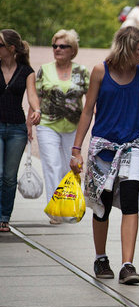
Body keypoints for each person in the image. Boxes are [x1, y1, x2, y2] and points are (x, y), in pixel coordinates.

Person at [69, 26, 139, 284]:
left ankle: (127, 265)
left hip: (133, 146)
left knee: (130, 201)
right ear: (126, 48)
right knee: (102, 204)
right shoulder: (100, 71)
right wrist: (76, 150)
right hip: (103, 147)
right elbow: (87, 110)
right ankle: (101, 258)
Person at [30, 29, 90, 221]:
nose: (57, 49)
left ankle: (68, 207)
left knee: (69, 167)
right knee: (52, 166)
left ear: (73, 50)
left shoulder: (82, 72)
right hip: (48, 124)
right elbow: (36, 97)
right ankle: (54, 210)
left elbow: (91, 98)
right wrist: (30, 121)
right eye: (55, 45)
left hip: (73, 126)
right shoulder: (45, 70)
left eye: (62, 46)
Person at [0, 29, 41, 232]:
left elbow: (32, 95)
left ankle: (4, 217)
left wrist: (37, 109)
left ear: (10, 48)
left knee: (9, 176)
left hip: (16, 128)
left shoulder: (27, 71)